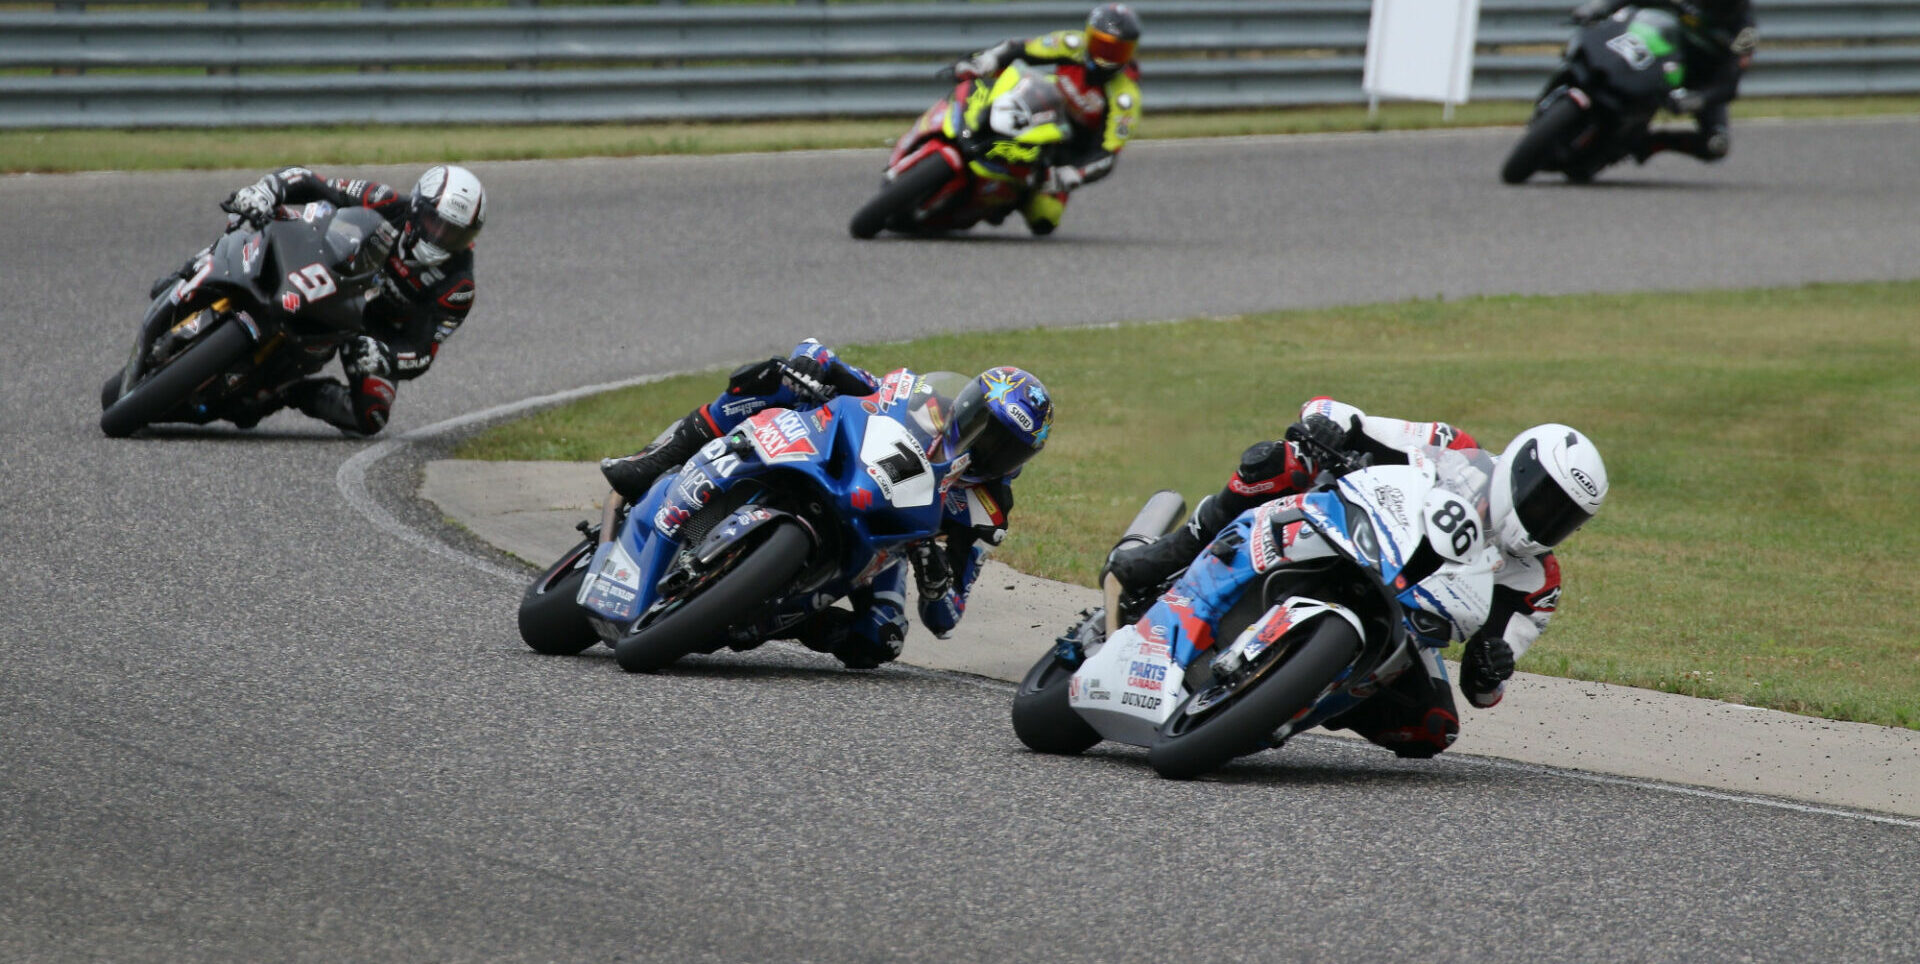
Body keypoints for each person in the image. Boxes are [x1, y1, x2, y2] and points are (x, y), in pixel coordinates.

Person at [1104, 397, 1609, 758]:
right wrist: (1329, 431)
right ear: (1521, 469)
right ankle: (1179, 550)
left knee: (1432, 729)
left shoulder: (1538, 584)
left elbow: (1485, 692)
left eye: (1565, 518)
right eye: (1545, 500)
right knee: (1282, 459)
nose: (1549, 522)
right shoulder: (1452, 448)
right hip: (1356, 529)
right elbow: (1338, 414)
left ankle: (1295, 690)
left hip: (1409, 619)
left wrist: (1490, 666)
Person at [601, 341, 1055, 669]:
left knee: (882, 638)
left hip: (884, 542)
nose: (986, 449)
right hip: (837, 466)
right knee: (773, 375)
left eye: (1006, 448)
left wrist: (937, 581)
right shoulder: (922, 400)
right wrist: (812, 362)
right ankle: (653, 461)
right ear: (968, 404)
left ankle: (780, 618)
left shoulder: (988, 509)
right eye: (984, 426)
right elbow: (839, 368)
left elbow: (947, 617)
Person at [152, 164, 485, 435]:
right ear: (417, 207)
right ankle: (193, 271)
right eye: (436, 224)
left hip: (369, 332)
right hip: (332, 275)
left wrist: (387, 356)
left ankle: (287, 393)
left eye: (455, 234)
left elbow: (423, 351)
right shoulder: (384, 200)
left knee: (370, 415)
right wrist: (267, 190)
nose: (441, 238)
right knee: (258, 218)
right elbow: (313, 182)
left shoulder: (458, 286)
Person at [950, 3, 1143, 235]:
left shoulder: (1125, 98)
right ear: (1089, 35)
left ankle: (1000, 201)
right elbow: (1021, 48)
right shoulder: (1072, 44)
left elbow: (1108, 154)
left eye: (1116, 51)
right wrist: (988, 59)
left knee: (1045, 219)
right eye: (1101, 45)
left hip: (1064, 152)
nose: (1106, 57)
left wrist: (1075, 173)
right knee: (1001, 74)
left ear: (1129, 53)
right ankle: (963, 118)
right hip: (1039, 107)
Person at [1571, 0, 1757, 163]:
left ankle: (1644, 144)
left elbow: (1730, 83)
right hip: (1651, 49)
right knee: (1598, 28)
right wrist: (1601, 6)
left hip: (1691, 80)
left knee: (1716, 144)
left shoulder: (1745, 31)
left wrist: (1698, 99)